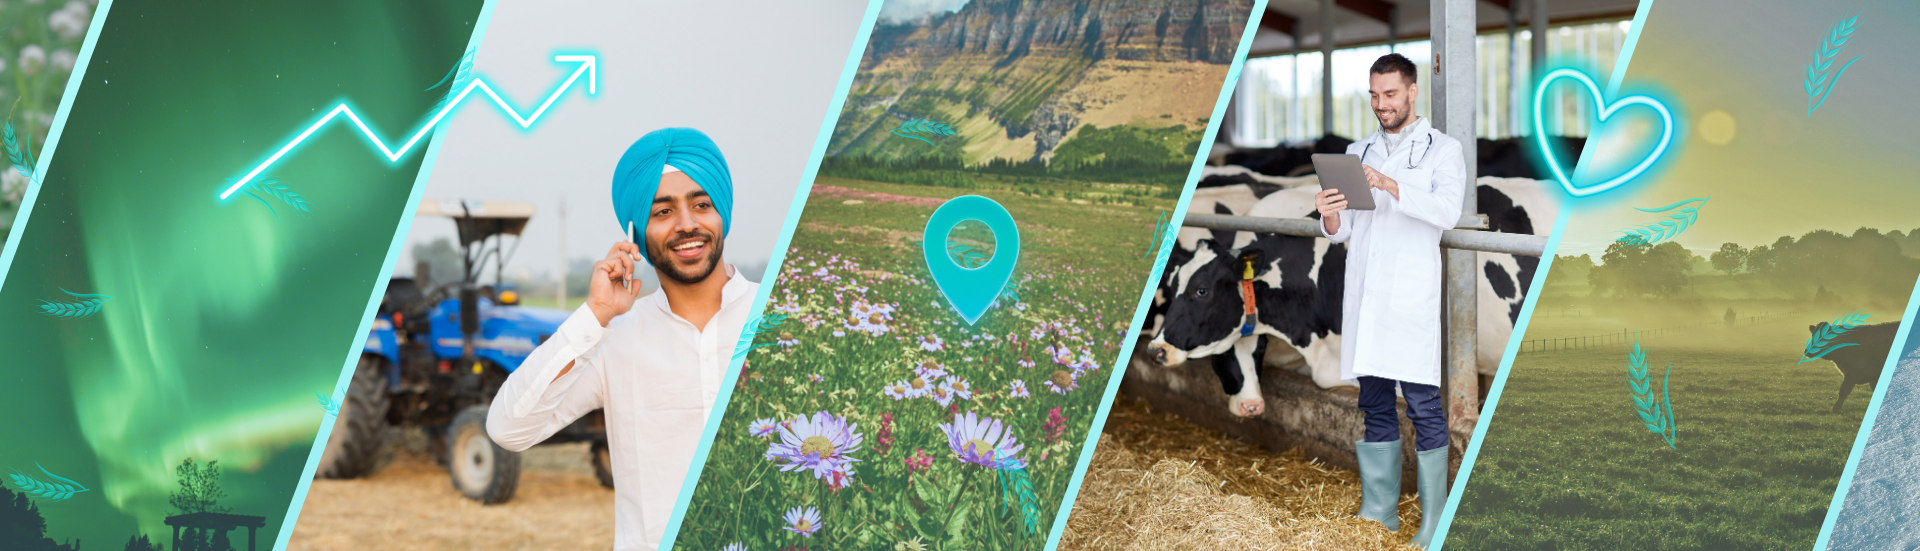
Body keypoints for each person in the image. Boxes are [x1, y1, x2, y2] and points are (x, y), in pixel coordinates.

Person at [487, 127, 756, 551]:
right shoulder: (614, 338)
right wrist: (595, 314)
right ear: (636, 233)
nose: (687, 225)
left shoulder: (781, 316)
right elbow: (508, 429)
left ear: (723, 211)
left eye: (701, 205)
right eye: (662, 211)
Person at [1313, 52, 1466, 549]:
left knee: (1423, 406)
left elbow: (1447, 212)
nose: (1381, 104)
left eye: (1391, 94)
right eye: (1374, 95)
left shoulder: (1444, 150)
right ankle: (1380, 511)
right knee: (1374, 402)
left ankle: (1435, 520)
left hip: (1409, 298)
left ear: (1412, 91)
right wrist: (1328, 213)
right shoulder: (1356, 151)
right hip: (1367, 297)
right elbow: (1343, 230)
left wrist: (1389, 183)